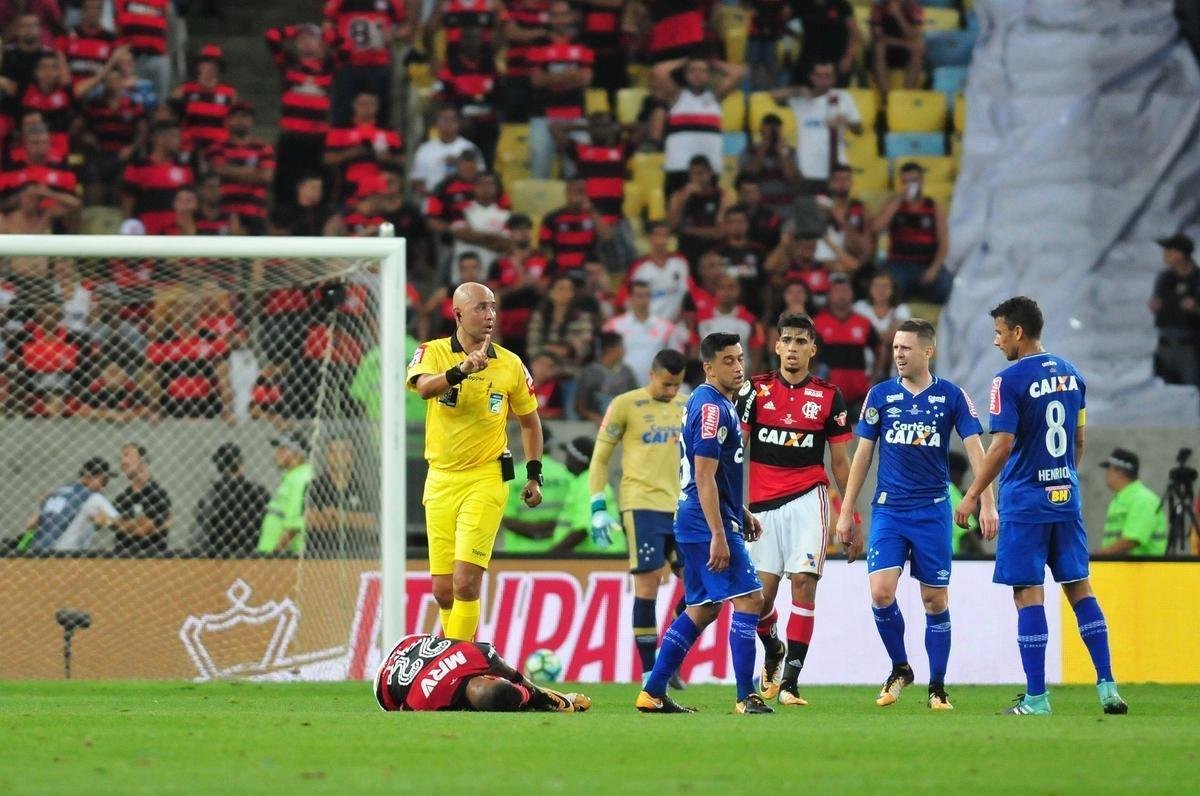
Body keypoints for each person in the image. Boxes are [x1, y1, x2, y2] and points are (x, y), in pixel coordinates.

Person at [954, 296, 1128, 715]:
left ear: (1017, 332)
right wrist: (1061, 478)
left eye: (999, 333)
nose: (996, 342)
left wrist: (974, 493)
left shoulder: (1007, 381)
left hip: (1026, 503)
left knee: (1028, 594)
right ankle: (1107, 686)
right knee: (1079, 587)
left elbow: (1003, 444)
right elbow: (1079, 441)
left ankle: (1036, 698)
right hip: (1065, 499)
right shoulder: (1073, 375)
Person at [835, 318, 997, 710]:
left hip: (932, 512)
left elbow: (977, 450)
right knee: (880, 592)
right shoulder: (880, 395)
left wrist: (987, 502)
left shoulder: (953, 397)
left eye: (905, 348)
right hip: (890, 510)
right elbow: (862, 456)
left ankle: (937, 686)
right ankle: (900, 666)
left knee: (934, 600)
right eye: (894, 348)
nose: (898, 355)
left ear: (928, 351)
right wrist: (846, 511)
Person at [636, 333, 770, 715]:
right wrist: (718, 533)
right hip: (703, 522)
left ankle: (653, 690)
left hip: (699, 518)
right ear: (709, 367)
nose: (738, 366)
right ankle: (747, 696)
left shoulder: (717, 403)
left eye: (740, 358)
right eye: (728, 360)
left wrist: (739, 511)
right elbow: (704, 475)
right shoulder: (711, 408)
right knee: (750, 599)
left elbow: (717, 475)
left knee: (702, 607)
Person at [407, 281, 545, 642]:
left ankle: (452, 665)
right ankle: (455, 661)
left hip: (486, 477)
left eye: (493, 307)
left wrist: (534, 474)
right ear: (457, 314)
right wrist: (460, 371)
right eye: (481, 308)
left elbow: (530, 422)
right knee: (442, 589)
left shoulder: (510, 364)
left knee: (466, 581)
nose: (490, 316)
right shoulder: (432, 351)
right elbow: (423, 388)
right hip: (440, 478)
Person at [737, 312, 853, 706]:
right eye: (787, 340)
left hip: (808, 499)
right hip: (762, 508)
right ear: (776, 346)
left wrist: (849, 513)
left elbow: (840, 462)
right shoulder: (754, 390)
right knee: (759, 601)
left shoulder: (828, 395)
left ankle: (790, 682)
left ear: (812, 349)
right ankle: (773, 647)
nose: (793, 348)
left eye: (801, 342)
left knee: (804, 583)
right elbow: (736, 449)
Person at [589, 349, 689, 679]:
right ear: (651, 374)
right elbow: (601, 458)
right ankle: (650, 673)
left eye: (676, 385)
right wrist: (597, 506)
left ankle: (670, 646)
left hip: (681, 508)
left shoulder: (688, 405)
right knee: (647, 587)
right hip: (641, 505)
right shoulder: (625, 404)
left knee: (702, 589)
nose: (671, 391)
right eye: (665, 384)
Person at [375, 633, 589, 712]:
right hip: (388, 679)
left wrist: (542, 696)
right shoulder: (421, 702)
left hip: (406, 646)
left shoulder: (481, 653)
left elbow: (516, 679)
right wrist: (559, 701)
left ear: (489, 676)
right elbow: (401, 710)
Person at [265, 23, 335, 206]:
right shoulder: (289, 64)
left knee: (320, 181)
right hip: (292, 136)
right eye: (301, 39)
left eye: (311, 39)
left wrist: (324, 36)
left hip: (318, 137)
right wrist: (294, 29)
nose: (306, 43)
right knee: (287, 183)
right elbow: (272, 35)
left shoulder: (328, 66)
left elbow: (342, 43)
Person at [654, 56, 743, 195]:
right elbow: (659, 71)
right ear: (685, 74)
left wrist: (713, 62)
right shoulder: (676, 95)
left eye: (702, 71)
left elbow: (738, 72)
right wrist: (684, 61)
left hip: (709, 170)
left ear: (709, 75)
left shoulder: (715, 97)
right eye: (693, 70)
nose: (697, 74)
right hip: (678, 167)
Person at [774, 61, 863, 196]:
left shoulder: (844, 97)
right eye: (819, 75)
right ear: (812, 77)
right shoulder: (801, 99)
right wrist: (798, 90)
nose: (823, 80)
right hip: (807, 170)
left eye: (827, 75)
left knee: (836, 210)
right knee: (811, 212)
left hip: (837, 170)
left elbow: (859, 130)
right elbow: (773, 95)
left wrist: (846, 121)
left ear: (834, 78)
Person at [527, 0, 594, 179]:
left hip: (576, 115)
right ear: (549, 18)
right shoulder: (538, 43)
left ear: (571, 17)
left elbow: (586, 79)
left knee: (578, 174)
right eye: (555, 15)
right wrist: (571, 74)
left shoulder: (583, 42)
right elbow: (536, 80)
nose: (560, 20)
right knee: (539, 174)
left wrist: (552, 79)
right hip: (543, 115)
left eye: (563, 15)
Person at [872, 162, 952, 304]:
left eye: (914, 181)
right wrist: (898, 201)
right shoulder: (893, 204)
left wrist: (933, 269)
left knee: (946, 287)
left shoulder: (933, 206)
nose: (910, 185)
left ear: (922, 181)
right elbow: (876, 228)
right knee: (889, 289)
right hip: (899, 263)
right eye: (906, 182)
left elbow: (944, 242)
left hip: (926, 263)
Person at [323, 0, 409, 125]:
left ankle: (378, 141)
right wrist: (336, 42)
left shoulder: (393, 2)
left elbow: (405, 28)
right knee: (343, 111)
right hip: (348, 65)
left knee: (379, 112)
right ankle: (343, 141)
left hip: (378, 65)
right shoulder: (338, 2)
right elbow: (327, 24)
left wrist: (393, 34)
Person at [813, 273, 883, 416]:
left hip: (859, 396)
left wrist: (874, 379)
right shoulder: (816, 323)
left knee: (859, 437)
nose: (841, 295)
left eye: (845, 291)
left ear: (852, 294)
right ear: (829, 295)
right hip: (826, 396)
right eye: (836, 291)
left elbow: (880, 351)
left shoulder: (863, 322)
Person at [206, 101, 275, 236]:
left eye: (245, 117)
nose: (241, 121)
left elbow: (265, 176)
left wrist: (230, 170)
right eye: (236, 117)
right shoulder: (217, 148)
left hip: (255, 213)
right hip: (224, 213)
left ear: (251, 121)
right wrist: (252, 171)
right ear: (228, 121)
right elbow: (218, 170)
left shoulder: (264, 148)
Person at [500, 428, 573, 554]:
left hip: (518, 552)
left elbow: (505, 518)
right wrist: (546, 530)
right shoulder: (566, 475)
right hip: (557, 548)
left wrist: (534, 533)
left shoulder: (512, 476)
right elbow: (574, 514)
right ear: (551, 445)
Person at [603, 280, 689, 386]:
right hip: (621, 386)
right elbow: (604, 359)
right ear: (630, 298)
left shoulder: (667, 327)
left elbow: (677, 359)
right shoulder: (614, 326)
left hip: (655, 388)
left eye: (647, 296)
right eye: (639, 296)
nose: (644, 300)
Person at [22, 457, 117, 551]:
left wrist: (22, 547)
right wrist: (106, 521)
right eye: (104, 481)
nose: (105, 486)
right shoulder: (94, 498)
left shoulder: (58, 491)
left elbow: (31, 525)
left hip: (35, 553)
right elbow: (117, 523)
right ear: (91, 477)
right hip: (66, 558)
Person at [551, 436, 626, 554]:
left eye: (568, 455)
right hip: (599, 557)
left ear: (576, 459)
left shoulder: (589, 485)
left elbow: (582, 530)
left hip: (601, 559)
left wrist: (550, 556)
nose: (566, 459)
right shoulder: (585, 482)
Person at [194, 443, 270, 556]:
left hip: (218, 557)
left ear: (219, 467)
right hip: (252, 556)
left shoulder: (212, 494)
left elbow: (201, 525)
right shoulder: (259, 492)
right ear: (241, 464)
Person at [1096, 449, 1168, 556]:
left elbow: (1131, 541)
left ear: (1119, 471)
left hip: (1143, 571)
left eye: (1108, 469)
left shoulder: (1143, 499)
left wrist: (1097, 558)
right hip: (1123, 569)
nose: (1106, 474)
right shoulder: (1121, 499)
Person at [1149, 233, 1199, 386]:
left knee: (1191, 394)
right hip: (1164, 345)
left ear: (1181, 254)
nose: (1165, 255)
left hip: (1191, 347)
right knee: (1167, 395)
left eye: (1169, 251)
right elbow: (1157, 303)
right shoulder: (1164, 278)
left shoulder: (1197, 279)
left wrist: (1196, 308)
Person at [257, 433, 314, 554]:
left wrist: (276, 554)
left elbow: (295, 524)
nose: (277, 452)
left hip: (281, 556)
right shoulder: (293, 475)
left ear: (298, 453)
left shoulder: (301, 477)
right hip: (274, 553)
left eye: (283, 448)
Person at [112, 443, 173, 555]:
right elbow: (109, 521)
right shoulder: (122, 498)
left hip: (151, 562)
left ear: (143, 461)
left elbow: (143, 530)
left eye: (127, 455)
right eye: (120, 459)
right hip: (121, 563)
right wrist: (128, 523)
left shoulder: (158, 494)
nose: (122, 462)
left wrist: (120, 523)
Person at [410, 106, 483, 198]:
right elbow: (417, 180)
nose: (448, 123)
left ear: (459, 123)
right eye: (444, 119)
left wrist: (459, 163)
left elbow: (480, 177)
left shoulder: (469, 147)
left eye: (452, 119)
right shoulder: (424, 149)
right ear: (436, 123)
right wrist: (434, 196)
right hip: (432, 200)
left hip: (463, 201)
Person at [574, 330, 637, 423]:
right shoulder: (590, 372)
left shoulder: (626, 372)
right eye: (621, 346)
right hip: (595, 427)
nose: (624, 350)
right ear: (610, 349)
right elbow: (579, 406)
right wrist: (594, 418)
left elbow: (637, 400)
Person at [869, 0, 925, 96]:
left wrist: (898, 15)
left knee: (918, 48)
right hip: (885, 49)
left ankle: (906, 94)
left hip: (903, 50)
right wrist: (905, 44)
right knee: (879, 47)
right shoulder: (878, 8)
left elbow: (914, 35)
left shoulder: (914, 8)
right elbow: (878, 36)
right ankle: (885, 95)